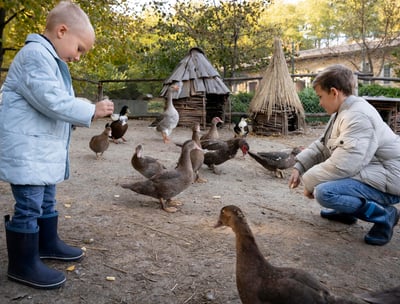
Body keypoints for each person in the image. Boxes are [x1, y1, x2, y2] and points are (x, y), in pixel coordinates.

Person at [0, 1, 114, 289]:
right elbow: (51, 100)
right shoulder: (34, 56)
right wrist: (89, 110)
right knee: (29, 205)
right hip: (28, 151)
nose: (79, 57)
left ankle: (46, 243)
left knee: (47, 197)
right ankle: (22, 264)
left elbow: (55, 106)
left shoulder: (51, 60)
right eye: (80, 49)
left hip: (42, 150)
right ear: (62, 31)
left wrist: (76, 114)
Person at [288, 64, 400, 246]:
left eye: (320, 96)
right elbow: (324, 145)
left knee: (325, 192)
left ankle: (384, 215)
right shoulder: (343, 111)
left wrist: (309, 181)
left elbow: (345, 164)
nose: (319, 102)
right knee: (328, 181)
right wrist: (299, 166)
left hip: (392, 179)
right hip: (377, 172)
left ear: (334, 92)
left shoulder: (357, 116)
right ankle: (346, 212)